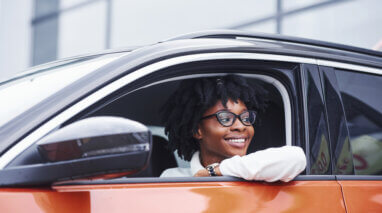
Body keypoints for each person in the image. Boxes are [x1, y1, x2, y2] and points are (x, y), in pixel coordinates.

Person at [160, 75, 306, 182]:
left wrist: (215, 171)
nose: (241, 126)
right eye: (225, 118)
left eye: (246, 117)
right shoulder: (173, 178)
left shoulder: (263, 170)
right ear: (197, 130)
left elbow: (296, 157)